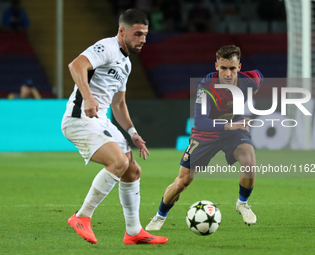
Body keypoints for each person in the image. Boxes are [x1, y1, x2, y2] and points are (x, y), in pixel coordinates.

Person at [61, 9, 168, 245]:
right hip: (80, 118)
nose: (142, 40)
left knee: (132, 171)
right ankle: (82, 217)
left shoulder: (126, 64)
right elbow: (76, 65)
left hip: (101, 121)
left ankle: (134, 232)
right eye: (137, 34)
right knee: (118, 162)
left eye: (145, 35)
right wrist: (88, 97)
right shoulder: (106, 47)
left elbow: (118, 103)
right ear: (122, 31)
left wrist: (133, 133)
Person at [146, 45, 263, 231]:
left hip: (234, 131)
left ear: (239, 67)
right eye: (223, 68)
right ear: (216, 66)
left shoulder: (249, 80)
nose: (227, 73)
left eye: (232, 68)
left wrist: (250, 98)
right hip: (206, 135)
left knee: (249, 161)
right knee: (182, 182)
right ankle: (159, 216)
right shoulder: (206, 87)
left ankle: (242, 203)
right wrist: (229, 125)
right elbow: (201, 122)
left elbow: (259, 76)